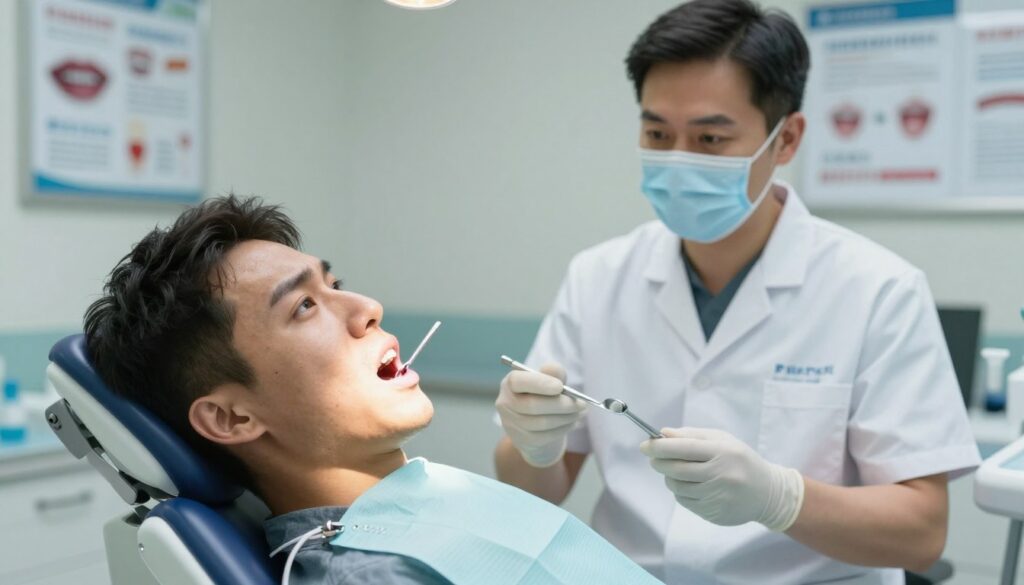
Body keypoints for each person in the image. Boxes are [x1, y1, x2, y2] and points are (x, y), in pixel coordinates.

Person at [493, 1, 980, 584]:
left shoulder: (879, 290)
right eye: (657, 133)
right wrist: (535, 447)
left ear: (786, 139)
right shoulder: (598, 277)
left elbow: (922, 535)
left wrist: (780, 498)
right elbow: (535, 490)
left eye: (710, 138)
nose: (678, 160)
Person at [83, 195, 663, 585]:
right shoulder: (370, 573)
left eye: (335, 284)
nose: (367, 307)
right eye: (304, 306)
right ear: (232, 418)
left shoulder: (420, 497)